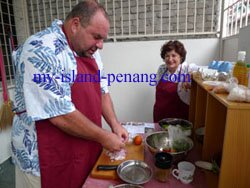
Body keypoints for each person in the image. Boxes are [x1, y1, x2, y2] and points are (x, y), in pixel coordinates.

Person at [11, 1, 128, 188]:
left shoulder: (90, 51)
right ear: (75, 25)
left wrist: (115, 124)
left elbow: (103, 90)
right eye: (97, 37)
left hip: (83, 145)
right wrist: (105, 137)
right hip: (42, 157)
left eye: (102, 39)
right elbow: (61, 115)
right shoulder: (41, 48)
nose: (101, 45)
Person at [153, 40, 191, 122]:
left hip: (178, 118)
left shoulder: (186, 70)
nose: (170, 59)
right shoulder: (161, 69)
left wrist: (188, 78)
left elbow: (198, 71)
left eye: (174, 55)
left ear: (180, 57)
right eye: (167, 56)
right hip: (160, 116)